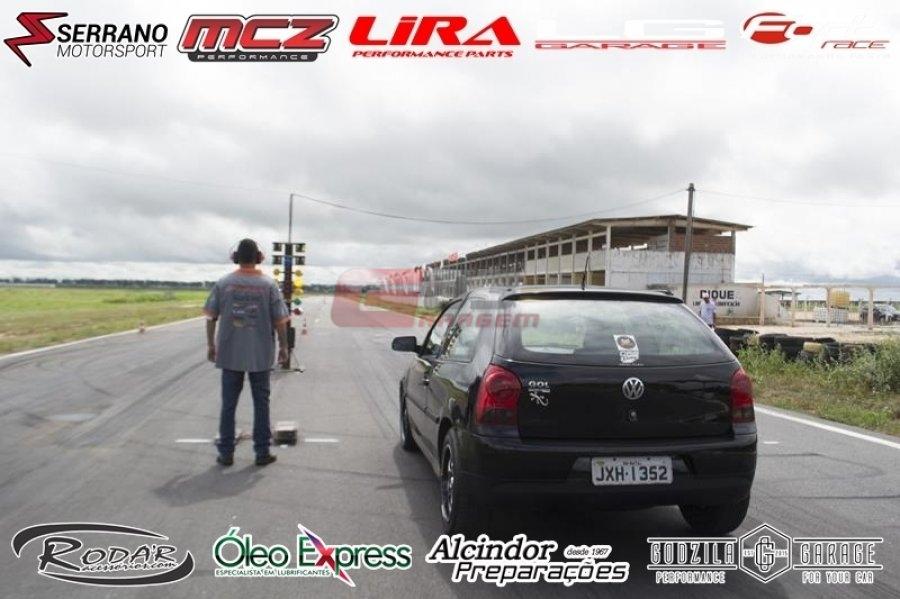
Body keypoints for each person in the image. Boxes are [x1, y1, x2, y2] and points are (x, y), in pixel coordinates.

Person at [203, 239, 290, 467]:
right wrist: (284, 347)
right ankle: (262, 452)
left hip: (230, 353)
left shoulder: (223, 283)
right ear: (259, 258)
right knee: (261, 403)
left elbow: (211, 316)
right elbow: (280, 320)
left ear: (235, 258)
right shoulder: (269, 285)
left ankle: (226, 453)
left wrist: (211, 345)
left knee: (228, 405)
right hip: (260, 354)